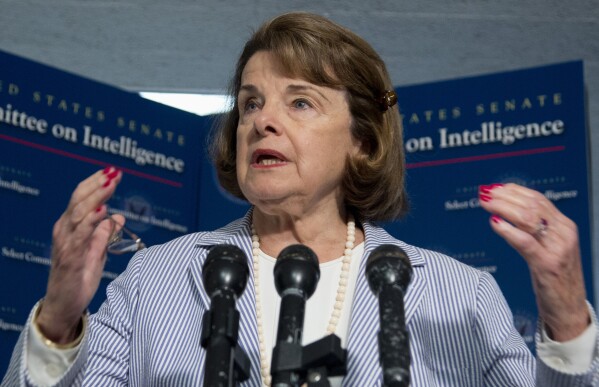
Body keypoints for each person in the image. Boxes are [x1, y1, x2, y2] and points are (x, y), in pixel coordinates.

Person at [2, 11, 598, 387]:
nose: (263, 122)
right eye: (252, 102)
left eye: (301, 102)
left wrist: (569, 323)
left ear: (362, 143)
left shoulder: (459, 296)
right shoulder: (156, 280)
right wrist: (57, 322)